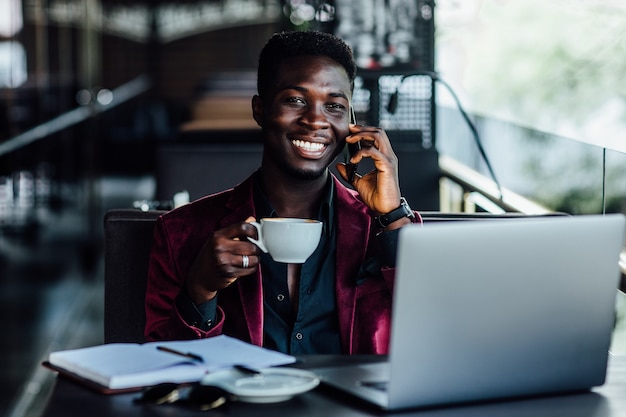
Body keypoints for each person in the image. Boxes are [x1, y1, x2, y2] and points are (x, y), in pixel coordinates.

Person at [144, 30, 422, 355]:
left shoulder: (380, 228)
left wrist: (392, 216)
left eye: (334, 105)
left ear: (352, 124)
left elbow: (432, 337)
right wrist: (199, 290)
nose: (316, 120)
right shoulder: (181, 232)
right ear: (260, 110)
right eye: (295, 100)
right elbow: (161, 367)